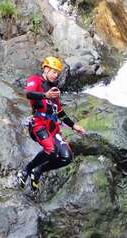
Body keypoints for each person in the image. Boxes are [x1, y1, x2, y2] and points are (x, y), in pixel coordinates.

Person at [18, 56, 86, 191]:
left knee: (67, 157)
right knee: (51, 150)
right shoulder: (36, 80)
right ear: (46, 69)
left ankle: (38, 171)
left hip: (53, 128)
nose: (56, 75)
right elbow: (28, 93)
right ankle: (26, 170)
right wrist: (45, 96)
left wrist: (73, 126)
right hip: (38, 124)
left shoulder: (54, 89)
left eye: (58, 73)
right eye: (54, 72)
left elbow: (59, 111)